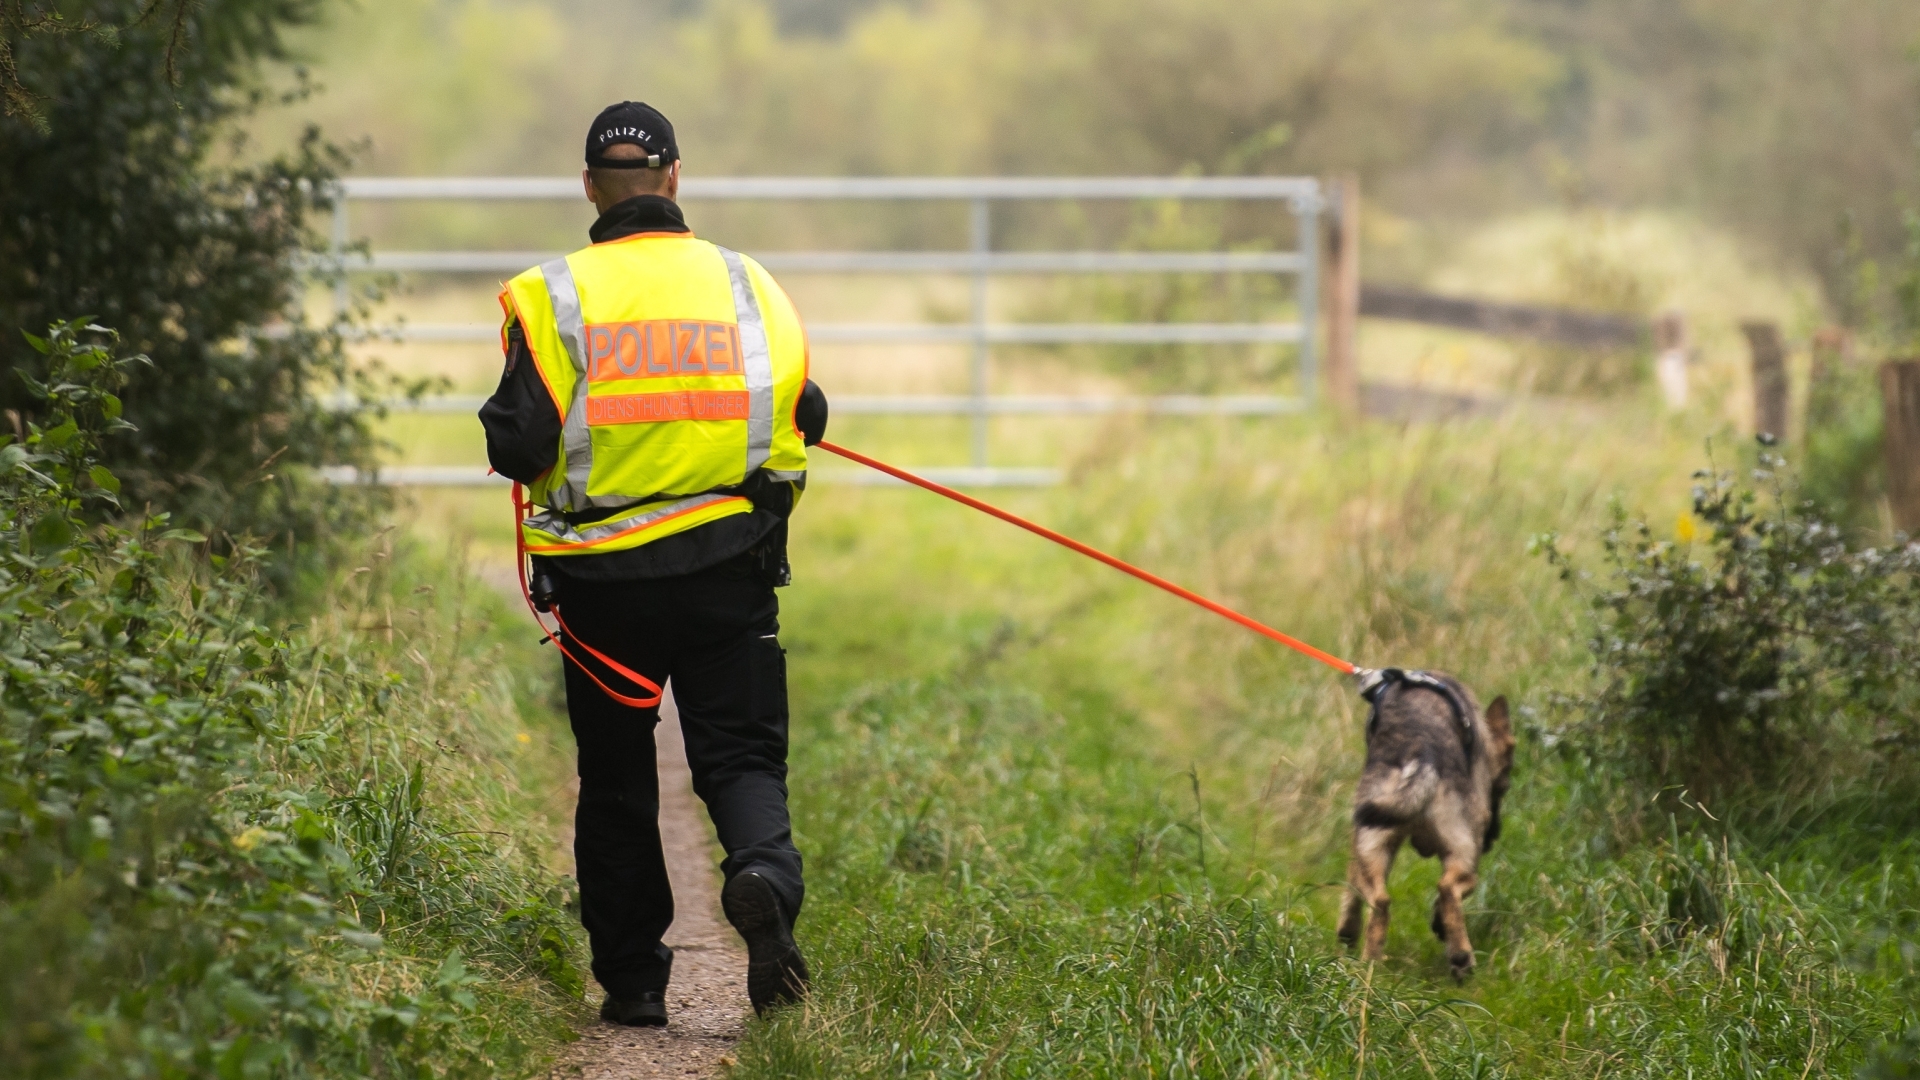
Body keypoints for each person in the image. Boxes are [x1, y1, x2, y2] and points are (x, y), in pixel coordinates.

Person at [479, 101, 825, 1027]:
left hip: (603, 588)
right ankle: (760, 879)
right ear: (675, 180)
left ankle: (633, 982)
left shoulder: (550, 296)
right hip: (730, 568)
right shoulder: (747, 283)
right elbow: (803, 407)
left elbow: (520, 443)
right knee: (742, 757)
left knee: (619, 774)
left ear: (592, 189)